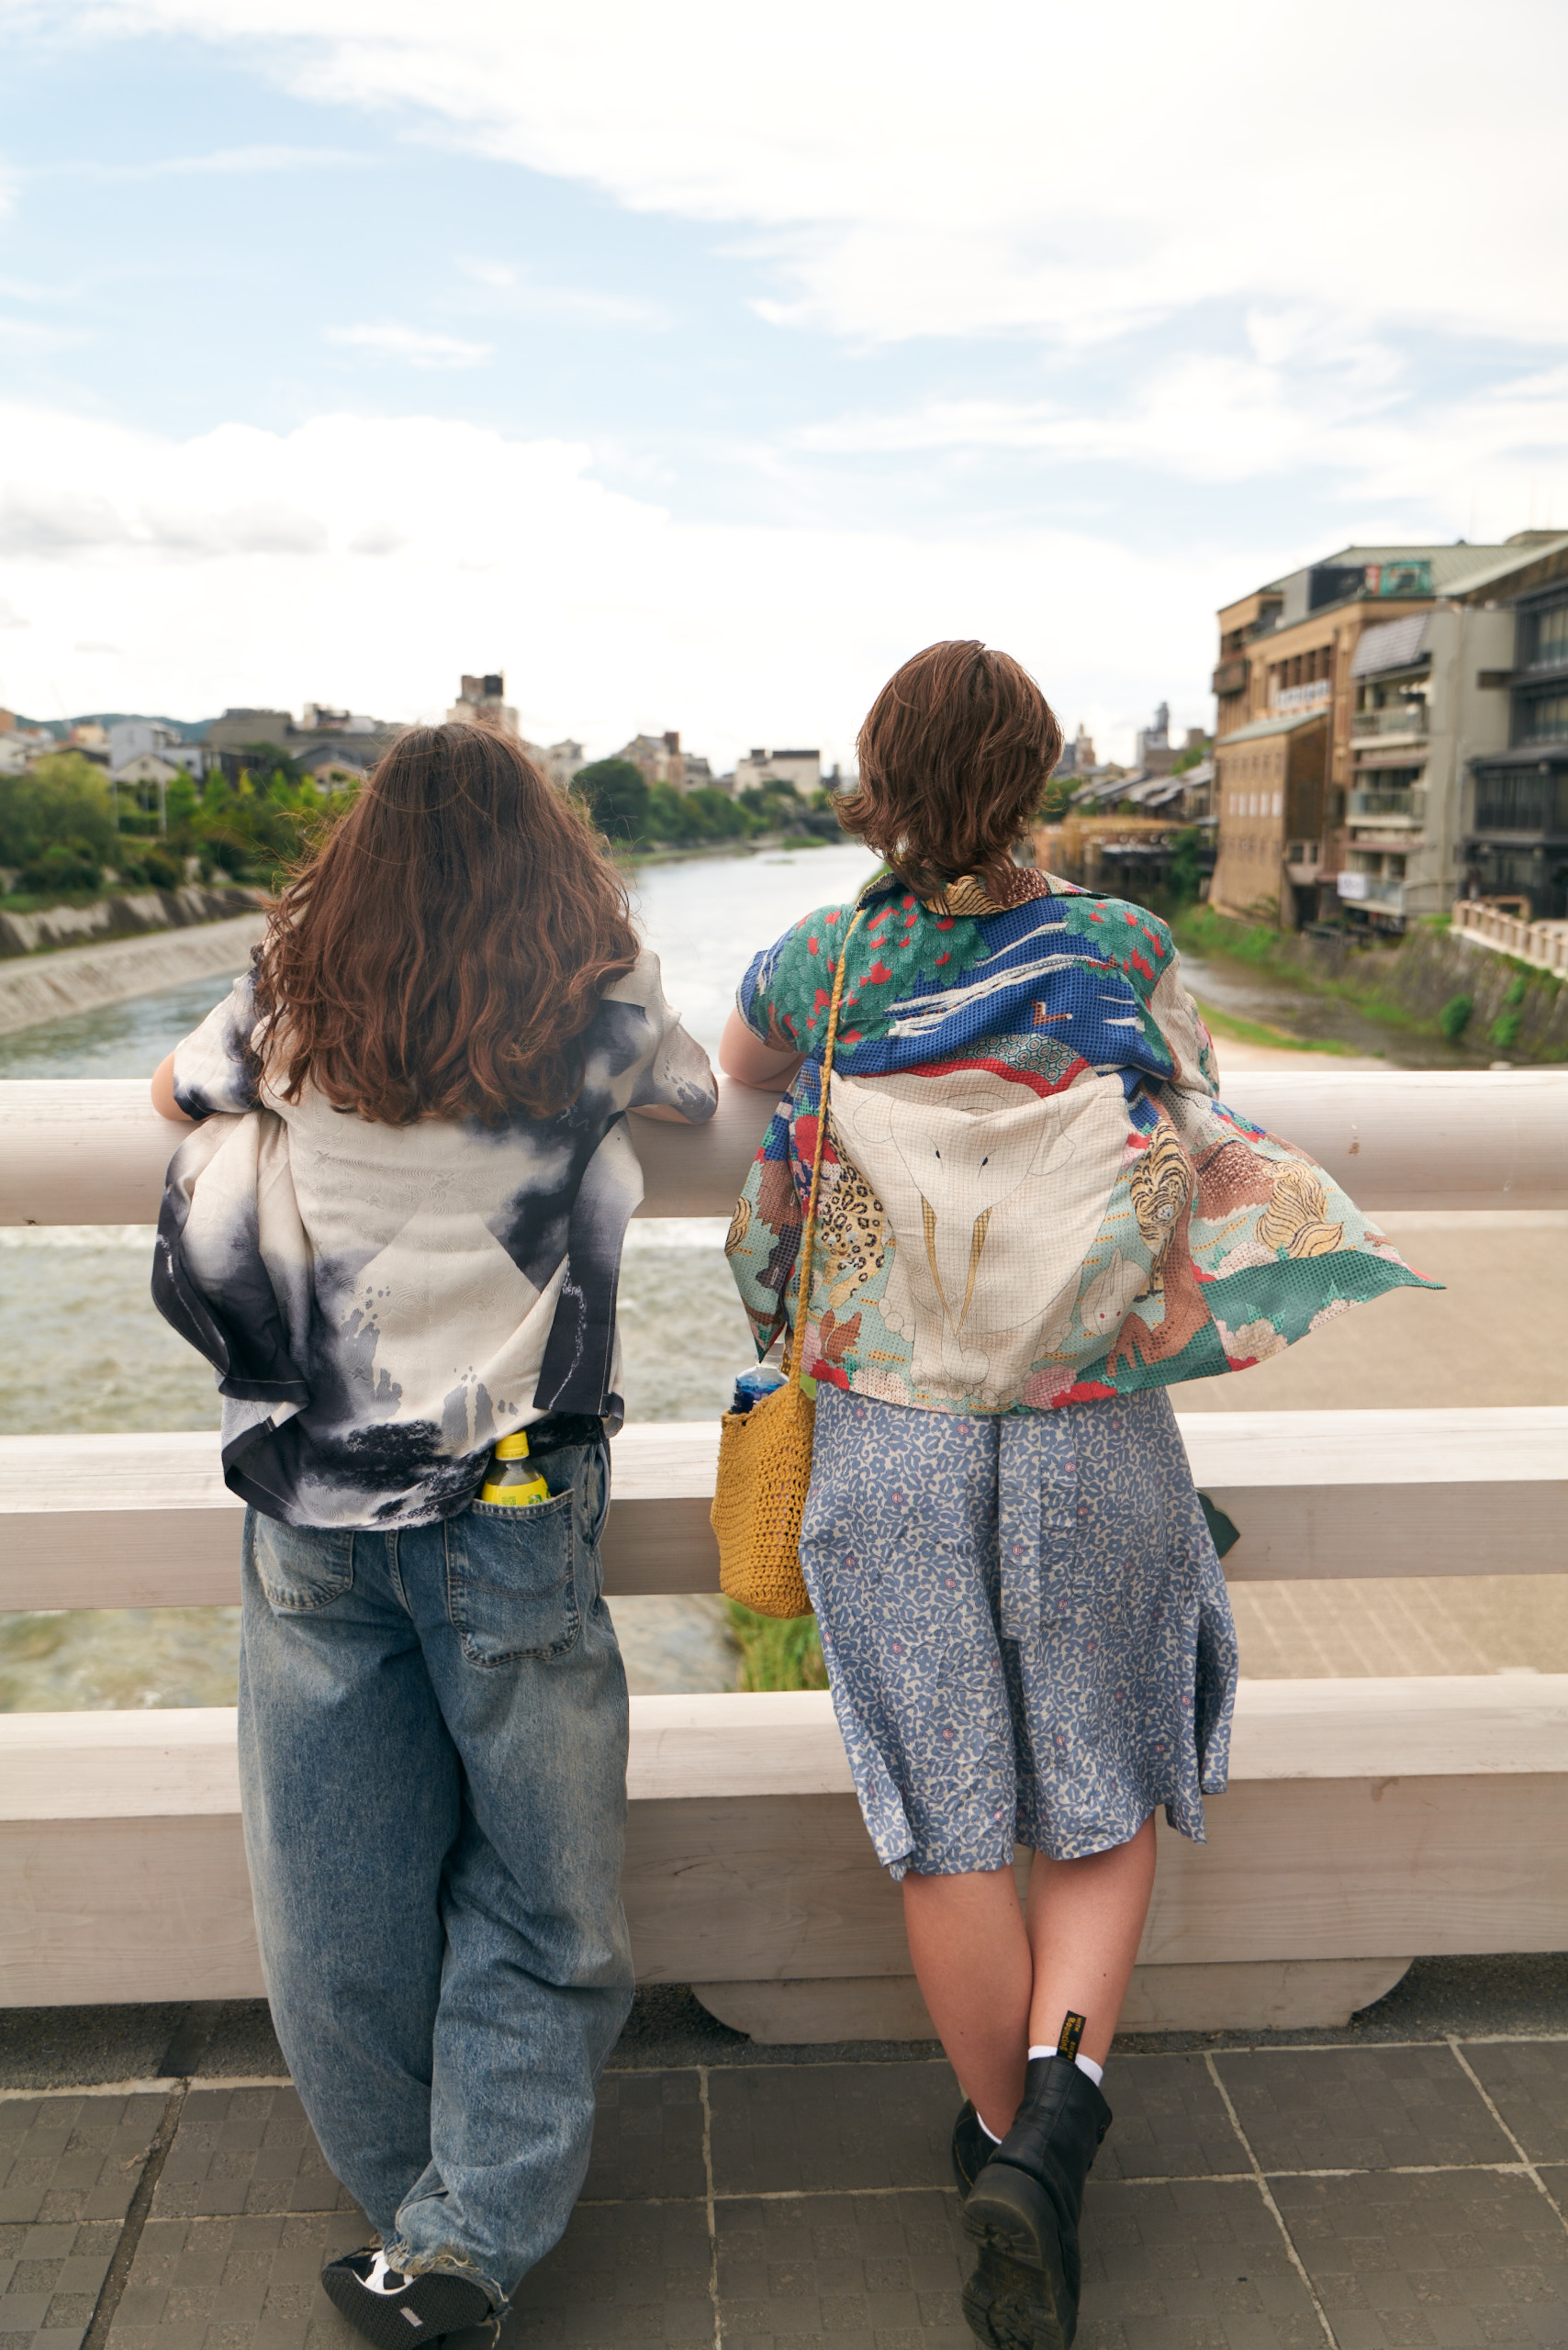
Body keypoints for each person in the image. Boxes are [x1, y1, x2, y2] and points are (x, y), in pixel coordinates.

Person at [720, 641, 1433, 2350]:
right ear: (1036, 779)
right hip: (1090, 1429)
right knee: (1099, 1793)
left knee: (948, 1812)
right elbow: (1191, 1115)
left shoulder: (821, 959)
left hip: (889, 1440)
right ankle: (1048, 2150)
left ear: (876, 781)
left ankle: (1002, 2155)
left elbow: (738, 1076)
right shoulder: (1121, 947)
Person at [150, 722, 716, 2348]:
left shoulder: (294, 984)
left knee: (330, 1895)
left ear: (362, 849)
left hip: (315, 1510)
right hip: (517, 1512)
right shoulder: (595, 996)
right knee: (546, 1900)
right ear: (552, 853)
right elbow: (690, 1096)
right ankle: (461, 2240)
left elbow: (176, 1090)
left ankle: (421, 2220)